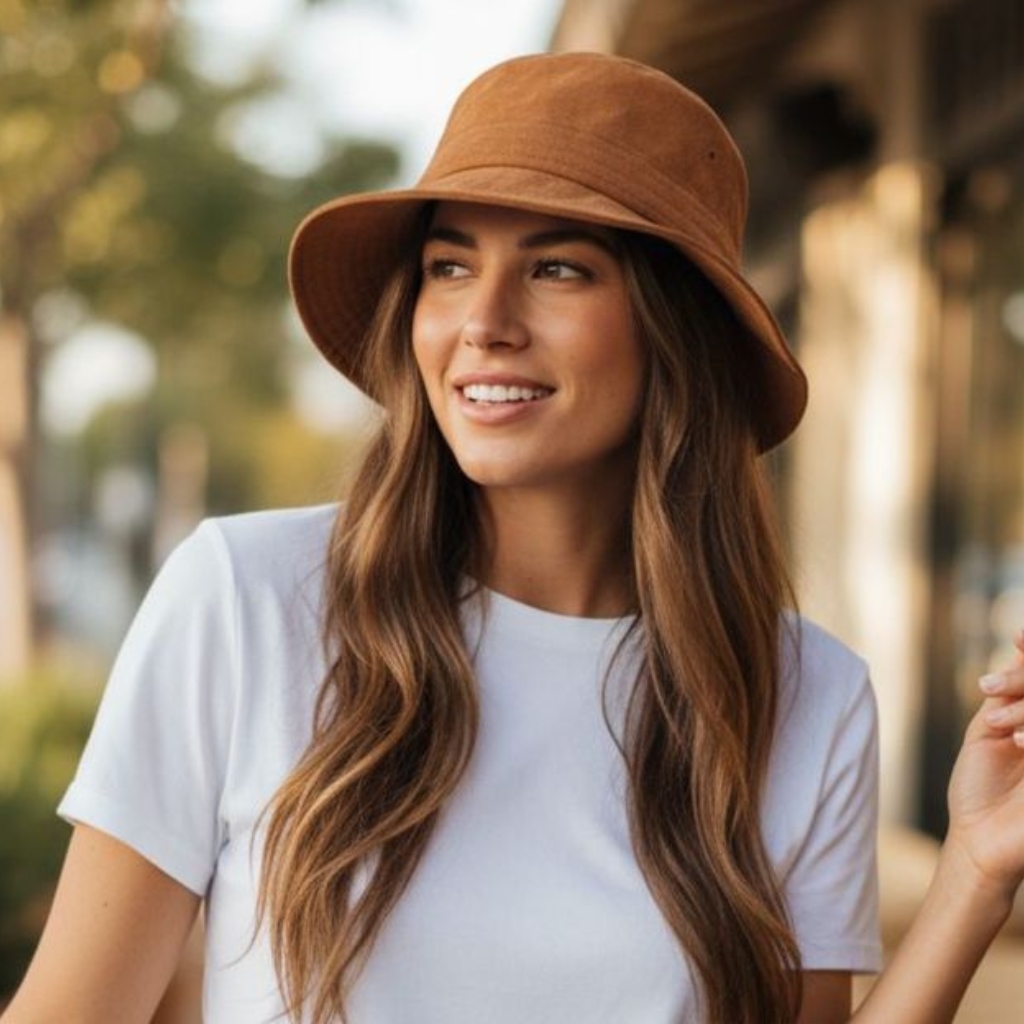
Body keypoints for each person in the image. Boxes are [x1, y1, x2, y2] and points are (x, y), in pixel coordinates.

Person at [3, 51, 1024, 1024]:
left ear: (672, 332)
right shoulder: (245, 598)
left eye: (559, 270)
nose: (483, 319)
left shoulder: (807, 693)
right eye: (449, 266)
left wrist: (974, 870)